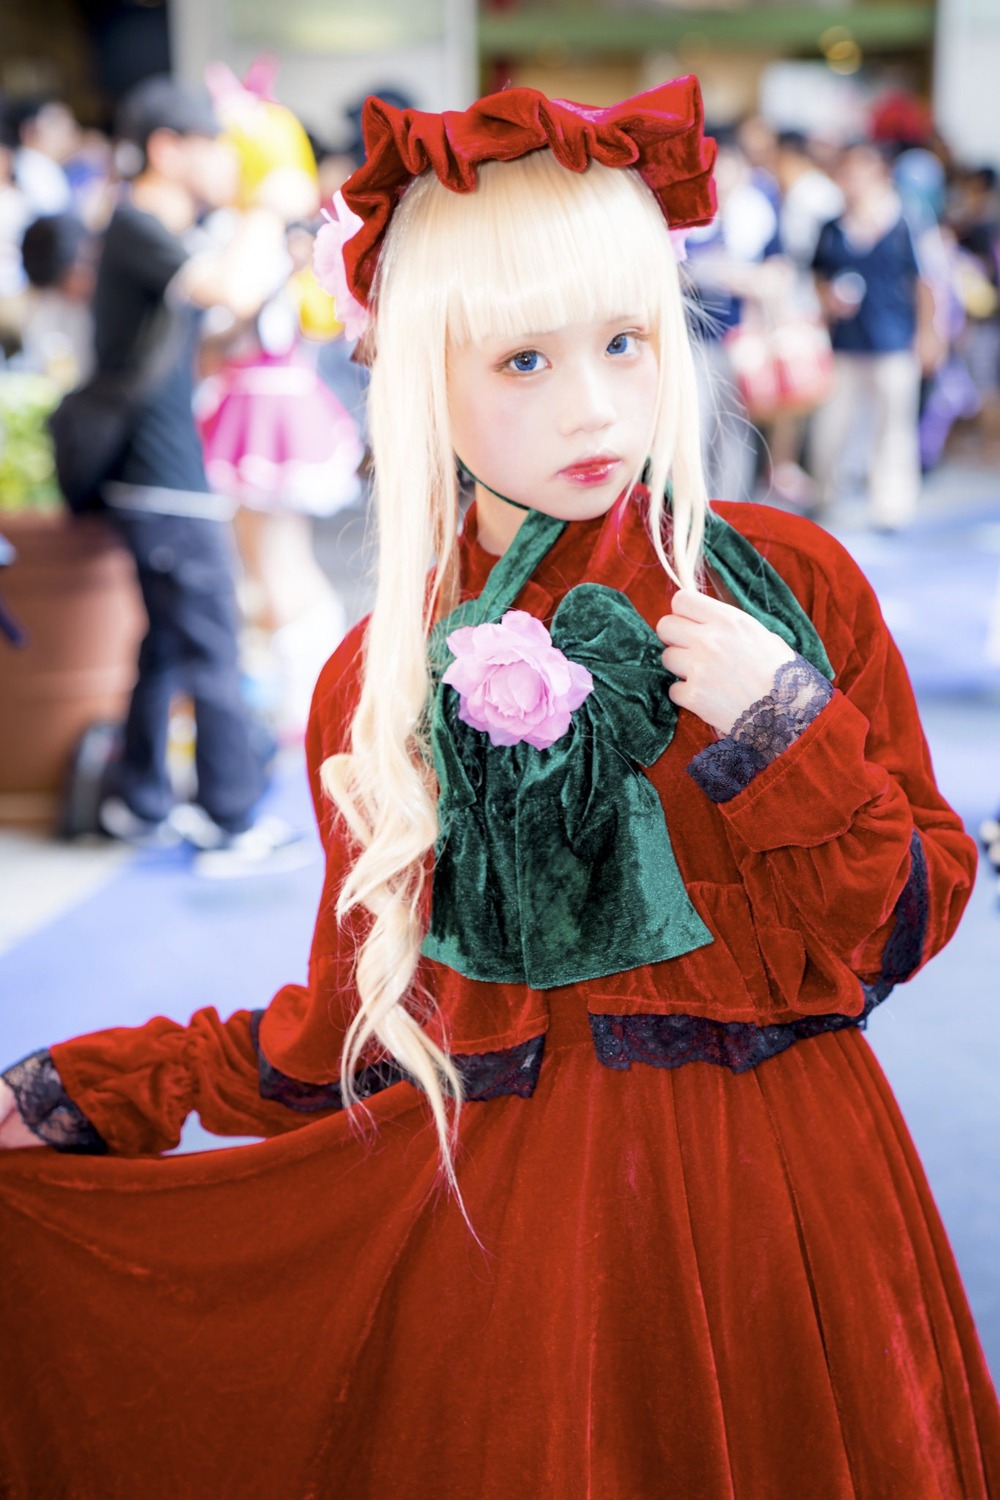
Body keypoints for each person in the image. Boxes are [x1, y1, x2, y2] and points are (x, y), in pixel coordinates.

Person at [0, 79, 998, 1500]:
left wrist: (786, 729)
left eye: (625, 342)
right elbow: (352, 1023)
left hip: (791, 1210)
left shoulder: (789, 586)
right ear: (417, 375)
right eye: (522, 361)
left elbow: (900, 925)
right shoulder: (379, 671)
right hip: (516, 1248)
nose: (596, 405)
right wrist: (100, 1091)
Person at [84, 75, 309, 873]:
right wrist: (270, 210)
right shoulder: (139, 223)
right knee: (212, 640)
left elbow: (220, 326)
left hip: (163, 475)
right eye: (211, 143)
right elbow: (227, 289)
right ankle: (228, 818)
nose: (224, 160)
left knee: (171, 647)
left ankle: (137, 801)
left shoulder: (152, 228)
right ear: (167, 148)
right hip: (163, 477)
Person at [810, 140, 939, 529]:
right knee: (832, 424)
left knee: (894, 427)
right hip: (846, 342)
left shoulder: (906, 221)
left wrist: (929, 334)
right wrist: (828, 300)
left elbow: (925, 284)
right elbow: (817, 275)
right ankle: (826, 493)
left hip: (893, 339)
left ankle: (891, 505)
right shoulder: (831, 227)